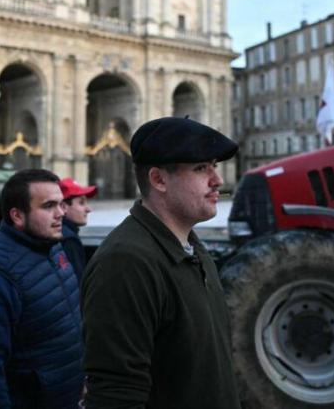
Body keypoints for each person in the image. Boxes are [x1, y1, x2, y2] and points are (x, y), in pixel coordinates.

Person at [81, 117, 242, 409]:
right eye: (200, 168)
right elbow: (116, 395)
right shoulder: (126, 263)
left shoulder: (191, 247)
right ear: (158, 179)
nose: (217, 180)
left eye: (214, 166)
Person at [0, 169, 83, 408]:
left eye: (62, 204)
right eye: (48, 206)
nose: (61, 213)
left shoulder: (52, 247)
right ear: (17, 216)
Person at [59, 177, 97, 282]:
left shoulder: (63, 234)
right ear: (63, 207)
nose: (88, 209)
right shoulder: (68, 240)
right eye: (81, 203)